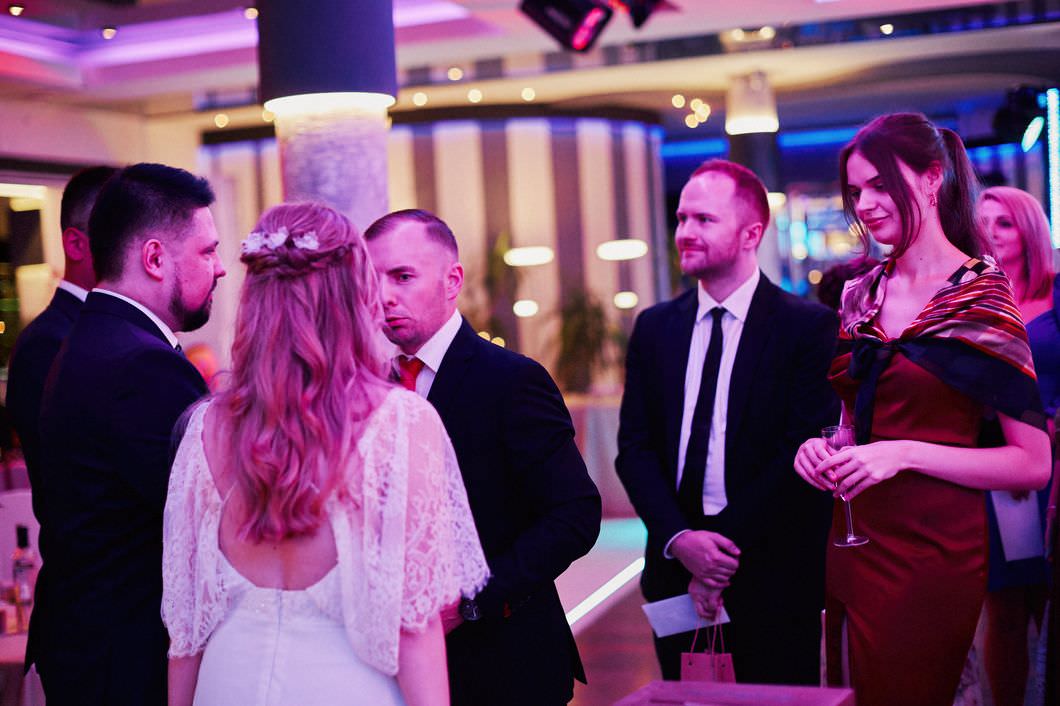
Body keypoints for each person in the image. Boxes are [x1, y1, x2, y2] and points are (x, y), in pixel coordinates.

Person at [162, 202, 488, 706]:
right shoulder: (400, 422)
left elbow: (186, 636)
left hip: (227, 683)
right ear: (352, 296)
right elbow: (414, 628)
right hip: (345, 687)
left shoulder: (204, 427)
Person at [794, 113, 1052, 706]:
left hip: (934, 547)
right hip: (854, 534)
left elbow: (1032, 462)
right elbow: (854, 426)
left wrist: (905, 454)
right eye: (855, 191)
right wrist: (823, 449)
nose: (865, 204)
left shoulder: (982, 297)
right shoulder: (860, 293)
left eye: (880, 185)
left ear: (933, 178)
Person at [365, 209, 601, 706]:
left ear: (452, 281)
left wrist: (471, 600)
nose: (384, 295)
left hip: (503, 658)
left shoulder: (511, 380)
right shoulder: (366, 388)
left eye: (402, 276)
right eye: (373, 279)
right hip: (392, 664)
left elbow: (575, 515)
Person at [616, 159, 839, 684]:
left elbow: (799, 450)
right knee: (687, 697)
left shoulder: (806, 327)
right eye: (681, 218)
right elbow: (635, 448)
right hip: (674, 567)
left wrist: (717, 550)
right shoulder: (654, 328)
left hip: (772, 569)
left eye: (704, 219)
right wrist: (681, 540)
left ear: (751, 234)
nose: (685, 232)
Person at [34, 163, 226, 705]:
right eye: (207, 252)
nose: (220, 269)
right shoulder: (141, 364)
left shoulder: (95, 338)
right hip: (125, 659)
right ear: (155, 259)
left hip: (90, 645)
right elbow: (205, 516)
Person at [5, 164, 116, 683]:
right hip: (90, 619)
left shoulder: (109, 332)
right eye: (119, 232)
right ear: (76, 243)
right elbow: (72, 491)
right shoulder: (48, 343)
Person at [976, 186, 1057, 706]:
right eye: (983, 223)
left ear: (1028, 232)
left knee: (1050, 603)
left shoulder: (1055, 294)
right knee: (1003, 610)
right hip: (993, 466)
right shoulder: (971, 298)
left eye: (1003, 223)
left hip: (1055, 466)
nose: (990, 233)